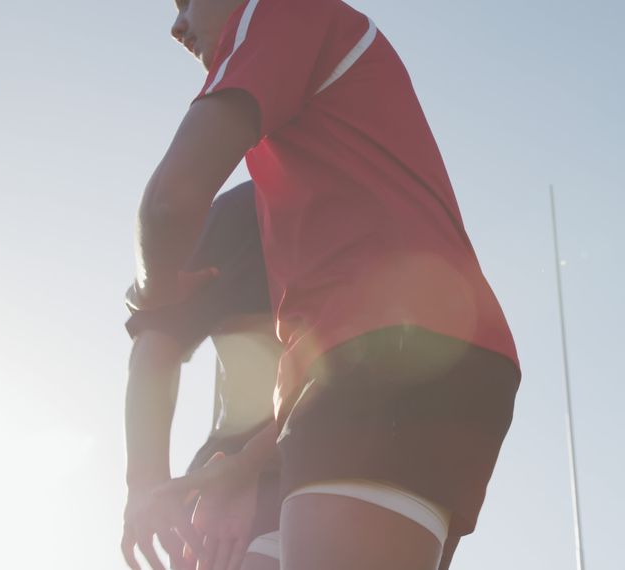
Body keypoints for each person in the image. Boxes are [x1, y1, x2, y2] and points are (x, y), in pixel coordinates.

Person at [129, 1, 521, 569]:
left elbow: (168, 203)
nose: (177, 24)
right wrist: (243, 467)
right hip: (408, 366)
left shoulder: (281, 12)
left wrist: (155, 286)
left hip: (396, 358)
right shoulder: (306, 176)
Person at [121, 182, 283, 570]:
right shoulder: (248, 209)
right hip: (230, 488)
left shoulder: (382, 204)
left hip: (355, 468)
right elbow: (159, 340)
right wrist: (145, 483)